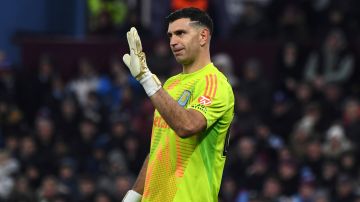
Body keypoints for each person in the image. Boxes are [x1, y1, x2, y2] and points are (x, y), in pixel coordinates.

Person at [121, 7, 235, 202]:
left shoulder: (215, 83)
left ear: (203, 36)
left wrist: (146, 78)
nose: (173, 42)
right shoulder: (170, 84)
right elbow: (159, 147)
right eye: (170, 35)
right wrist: (133, 196)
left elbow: (187, 126)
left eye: (181, 33)